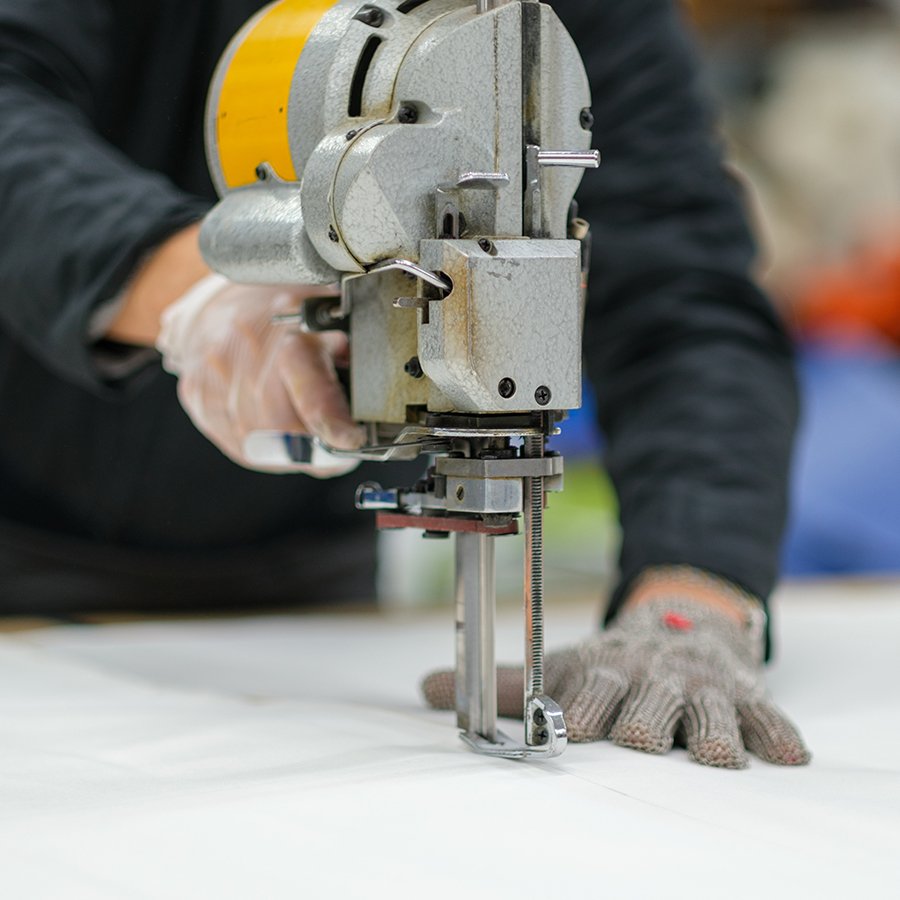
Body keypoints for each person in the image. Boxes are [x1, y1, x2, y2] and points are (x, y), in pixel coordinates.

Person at [0, 0, 809, 768]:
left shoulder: (573, 24)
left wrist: (688, 591)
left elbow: (685, 298)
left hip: (305, 589)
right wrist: (182, 283)